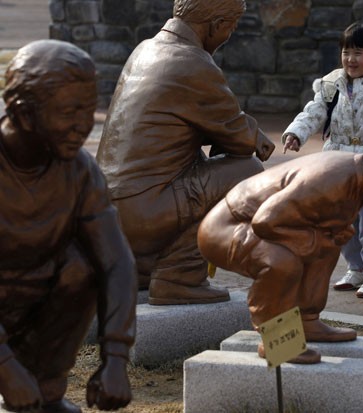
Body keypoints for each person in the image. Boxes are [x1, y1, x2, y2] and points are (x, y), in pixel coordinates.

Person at [96, 0, 276, 305]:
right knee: (248, 173)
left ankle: (144, 267)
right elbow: (243, 141)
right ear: (216, 24)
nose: (229, 35)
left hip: (108, 216)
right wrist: (257, 138)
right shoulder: (193, 62)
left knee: (194, 163)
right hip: (143, 213)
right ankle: (178, 275)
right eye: (230, 27)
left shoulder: (145, 49)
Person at [198, 147, 363, 362]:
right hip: (227, 228)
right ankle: (277, 339)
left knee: (327, 246)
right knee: (281, 263)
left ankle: (308, 319)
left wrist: (329, 236)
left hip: (262, 224)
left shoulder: (358, 180)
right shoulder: (331, 181)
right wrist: (317, 238)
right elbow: (266, 222)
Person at [0, 40, 136, 413]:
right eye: (69, 112)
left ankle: (46, 390)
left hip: (28, 303)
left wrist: (116, 358)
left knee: (82, 266)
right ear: (24, 114)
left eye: (88, 108)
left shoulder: (78, 170)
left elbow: (117, 262)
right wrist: (6, 368)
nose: (84, 125)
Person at [281, 22, 363, 298]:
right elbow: (313, 112)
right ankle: (354, 269)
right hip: (338, 165)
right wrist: (296, 133)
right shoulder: (332, 85)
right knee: (342, 222)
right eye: (346, 52)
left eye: (358, 53)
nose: (350, 59)